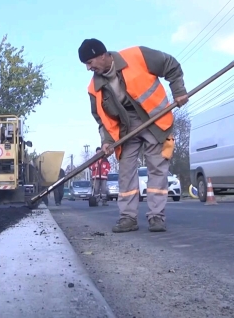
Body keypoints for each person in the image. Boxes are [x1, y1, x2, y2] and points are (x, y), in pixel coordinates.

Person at [79, 38, 188, 233]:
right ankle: (128, 218)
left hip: (155, 120)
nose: (88, 68)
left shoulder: (137, 56)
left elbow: (170, 64)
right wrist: (106, 141)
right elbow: (101, 119)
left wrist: (178, 91)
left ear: (102, 55)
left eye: (89, 62)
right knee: (126, 172)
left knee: (157, 168)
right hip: (125, 128)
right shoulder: (93, 88)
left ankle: (157, 217)